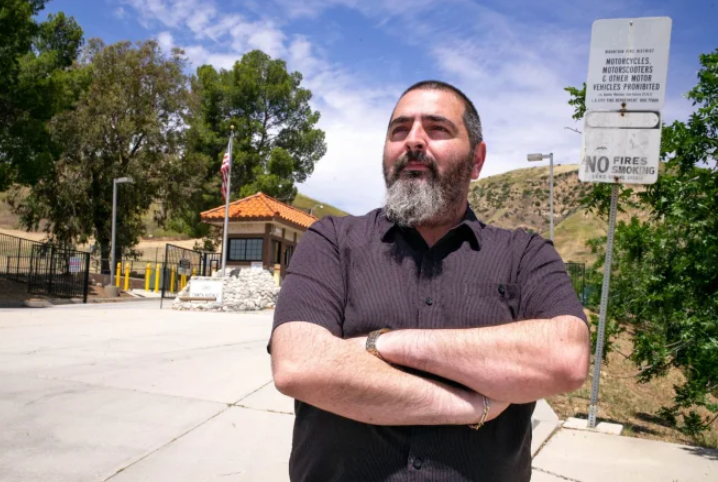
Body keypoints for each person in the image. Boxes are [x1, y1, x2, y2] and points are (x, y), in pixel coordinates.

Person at [269, 80, 590, 482]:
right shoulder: (332, 241)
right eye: (399, 130)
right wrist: (472, 406)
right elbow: (300, 365)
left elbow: (564, 357)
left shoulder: (524, 254)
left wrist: (385, 343)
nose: (414, 141)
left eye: (437, 128)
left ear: (477, 160)